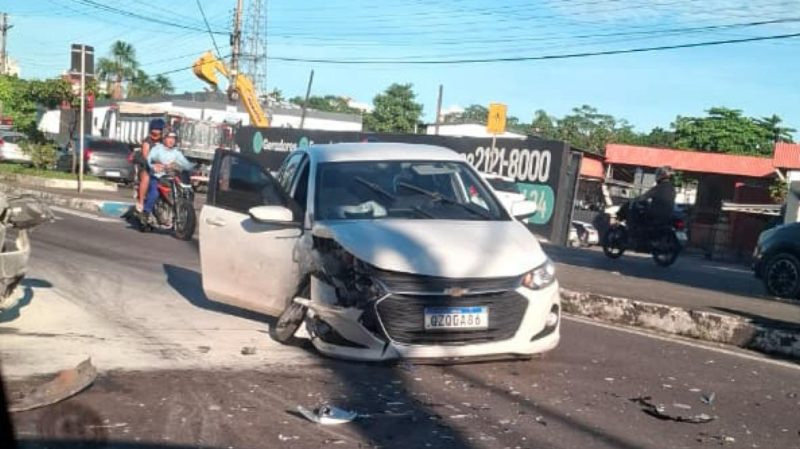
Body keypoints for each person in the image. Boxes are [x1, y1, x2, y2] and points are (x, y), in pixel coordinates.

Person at [142, 130, 194, 220]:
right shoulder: (157, 149)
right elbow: (149, 160)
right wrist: (154, 166)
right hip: (158, 177)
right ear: (164, 139)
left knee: (187, 192)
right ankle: (145, 213)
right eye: (169, 138)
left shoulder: (176, 152)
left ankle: (182, 214)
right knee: (154, 193)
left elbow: (186, 164)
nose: (171, 140)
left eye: (173, 138)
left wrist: (194, 167)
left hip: (172, 178)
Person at [135, 119, 165, 213]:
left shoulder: (164, 141)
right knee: (146, 179)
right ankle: (141, 202)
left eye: (159, 129)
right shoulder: (147, 141)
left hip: (162, 168)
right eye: (154, 129)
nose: (156, 131)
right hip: (147, 167)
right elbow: (146, 156)